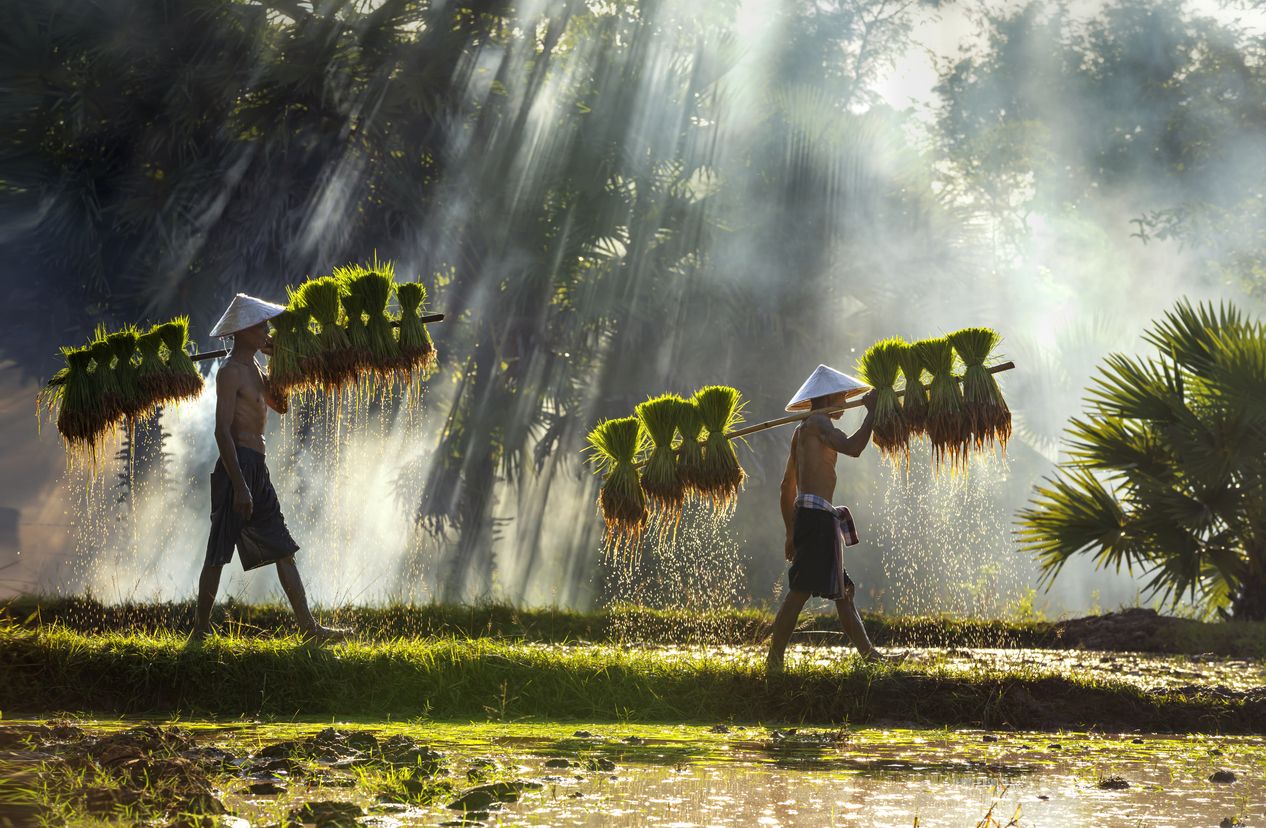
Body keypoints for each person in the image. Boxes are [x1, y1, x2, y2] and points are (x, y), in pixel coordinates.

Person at [193, 293, 350, 642]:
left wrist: (282, 360)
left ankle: (309, 629)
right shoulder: (230, 373)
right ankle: (200, 632)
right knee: (218, 552)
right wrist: (240, 486)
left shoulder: (256, 370)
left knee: (283, 548)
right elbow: (221, 432)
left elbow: (281, 406)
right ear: (244, 330)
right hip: (237, 469)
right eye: (261, 324)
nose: (267, 329)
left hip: (257, 467)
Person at [766, 364, 896, 673]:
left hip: (811, 518)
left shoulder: (801, 431)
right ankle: (773, 661)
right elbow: (853, 448)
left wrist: (790, 532)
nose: (844, 401)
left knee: (843, 592)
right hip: (816, 518)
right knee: (799, 591)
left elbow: (787, 487)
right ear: (829, 397)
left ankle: (870, 657)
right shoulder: (819, 423)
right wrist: (872, 414)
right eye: (841, 396)